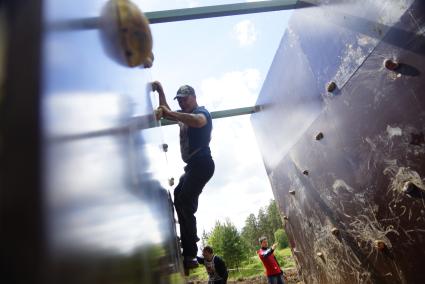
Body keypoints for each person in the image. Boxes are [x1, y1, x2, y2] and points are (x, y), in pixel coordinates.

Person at [152, 81, 215, 271]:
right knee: (179, 196)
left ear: (194, 97)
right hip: (193, 167)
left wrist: (169, 113)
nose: (182, 103)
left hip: (202, 164)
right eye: (179, 100)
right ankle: (188, 244)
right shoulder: (183, 116)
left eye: (185, 99)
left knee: (185, 202)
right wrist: (160, 89)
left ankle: (190, 255)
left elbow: (198, 121)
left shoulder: (201, 113)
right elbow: (168, 110)